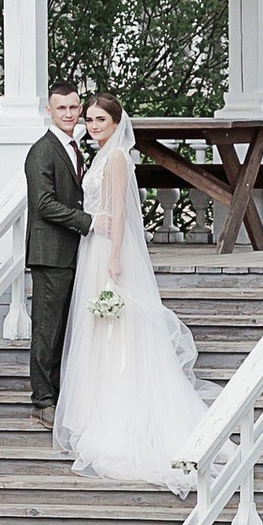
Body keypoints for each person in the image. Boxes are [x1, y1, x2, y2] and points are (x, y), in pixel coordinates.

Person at [55, 93, 209, 491]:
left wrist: (116, 256)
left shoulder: (118, 157)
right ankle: (97, 407)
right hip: (93, 247)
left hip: (108, 249)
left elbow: (120, 210)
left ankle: (120, 412)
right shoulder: (101, 155)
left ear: (116, 121)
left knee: (115, 326)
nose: (92, 125)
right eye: (88, 119)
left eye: (100, 119)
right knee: (97, 328)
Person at [24, 84, 91, 418]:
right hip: (50, 251)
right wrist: (86, 221)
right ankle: (43, 400)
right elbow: (44, 204)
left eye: (73, 107)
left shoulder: (73, 147)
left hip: (71, 250)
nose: (68, 113)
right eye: (61, 108)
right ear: (48, 111)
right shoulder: (43, 151)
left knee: (64, 326)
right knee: (47, 327)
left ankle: (60, 393)